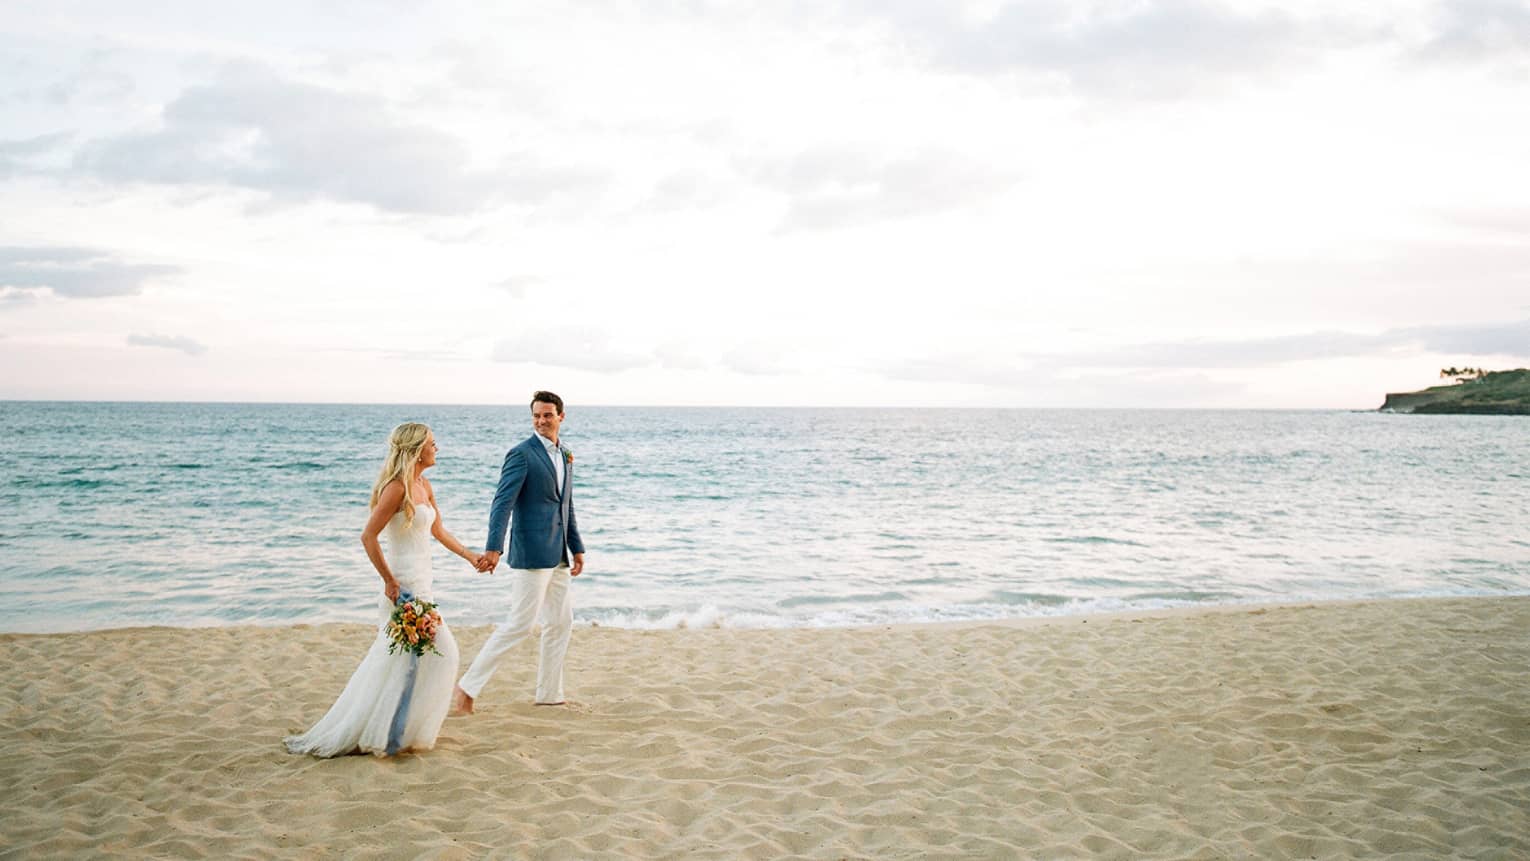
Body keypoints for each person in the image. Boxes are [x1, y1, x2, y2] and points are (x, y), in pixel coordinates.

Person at [285, 423, 481, 757]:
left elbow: (439, 531)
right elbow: (368, 536)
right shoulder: (395, 488)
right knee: (423, 658)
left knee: (414, 664)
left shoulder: (424, 485)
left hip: (424, 585)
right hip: (403, 588)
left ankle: (397, 734)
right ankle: (386, 734)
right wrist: (389, 581)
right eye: (433, 444)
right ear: (417, 449)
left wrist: (471, 557)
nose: (438, 448)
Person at [452, 391, 585, 715]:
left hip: (559, 555)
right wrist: (494, 547)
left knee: (561, 622)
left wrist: (577, 546)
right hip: (530, 552)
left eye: (547, 415)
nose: (541, 421)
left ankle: (550, 693)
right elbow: (502, 503)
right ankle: (467, 688)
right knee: (520, 624)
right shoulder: (521, 454)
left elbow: (565, 505)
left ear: (561, 417)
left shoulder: (565, 454)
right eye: (536, 416)